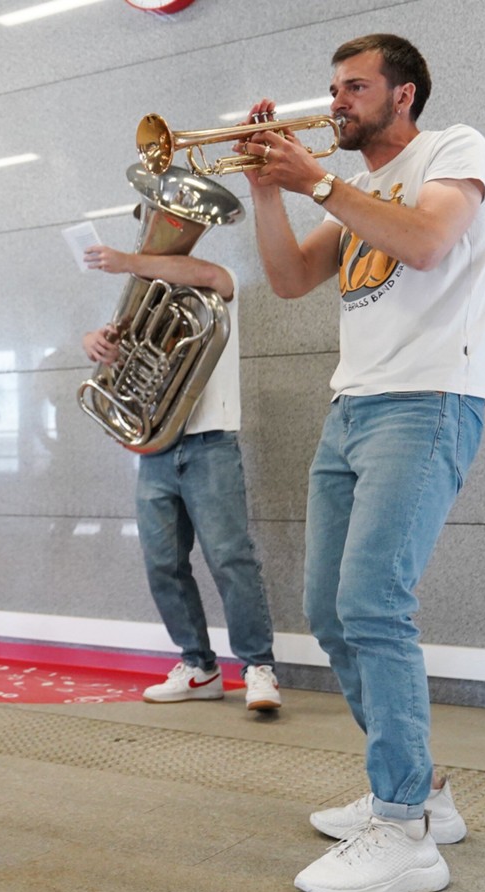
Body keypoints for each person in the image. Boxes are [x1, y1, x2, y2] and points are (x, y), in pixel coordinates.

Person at [238, 33, 485, 892]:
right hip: (351, 408)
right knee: (330, 609)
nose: (334, 103)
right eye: (331, 87)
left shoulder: (451, 150)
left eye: (354, 88)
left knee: (373, 605)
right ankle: (422, 788)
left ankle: (403, 831)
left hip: (429, 401)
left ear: (404, 96)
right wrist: (262, 188)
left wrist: (312, 178)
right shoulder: (351, 193)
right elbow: (285, 280)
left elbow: (427, 244)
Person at [80, 245, 279, 712]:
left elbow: (211, 272)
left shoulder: (215, 282)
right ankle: (198, 666)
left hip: (211, 443)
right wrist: (96, 342)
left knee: (231, 559)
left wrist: (128, 261)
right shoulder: (145, 300)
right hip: (156, 448)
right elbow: (120, 364)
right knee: (161, 562)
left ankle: (258, 668)